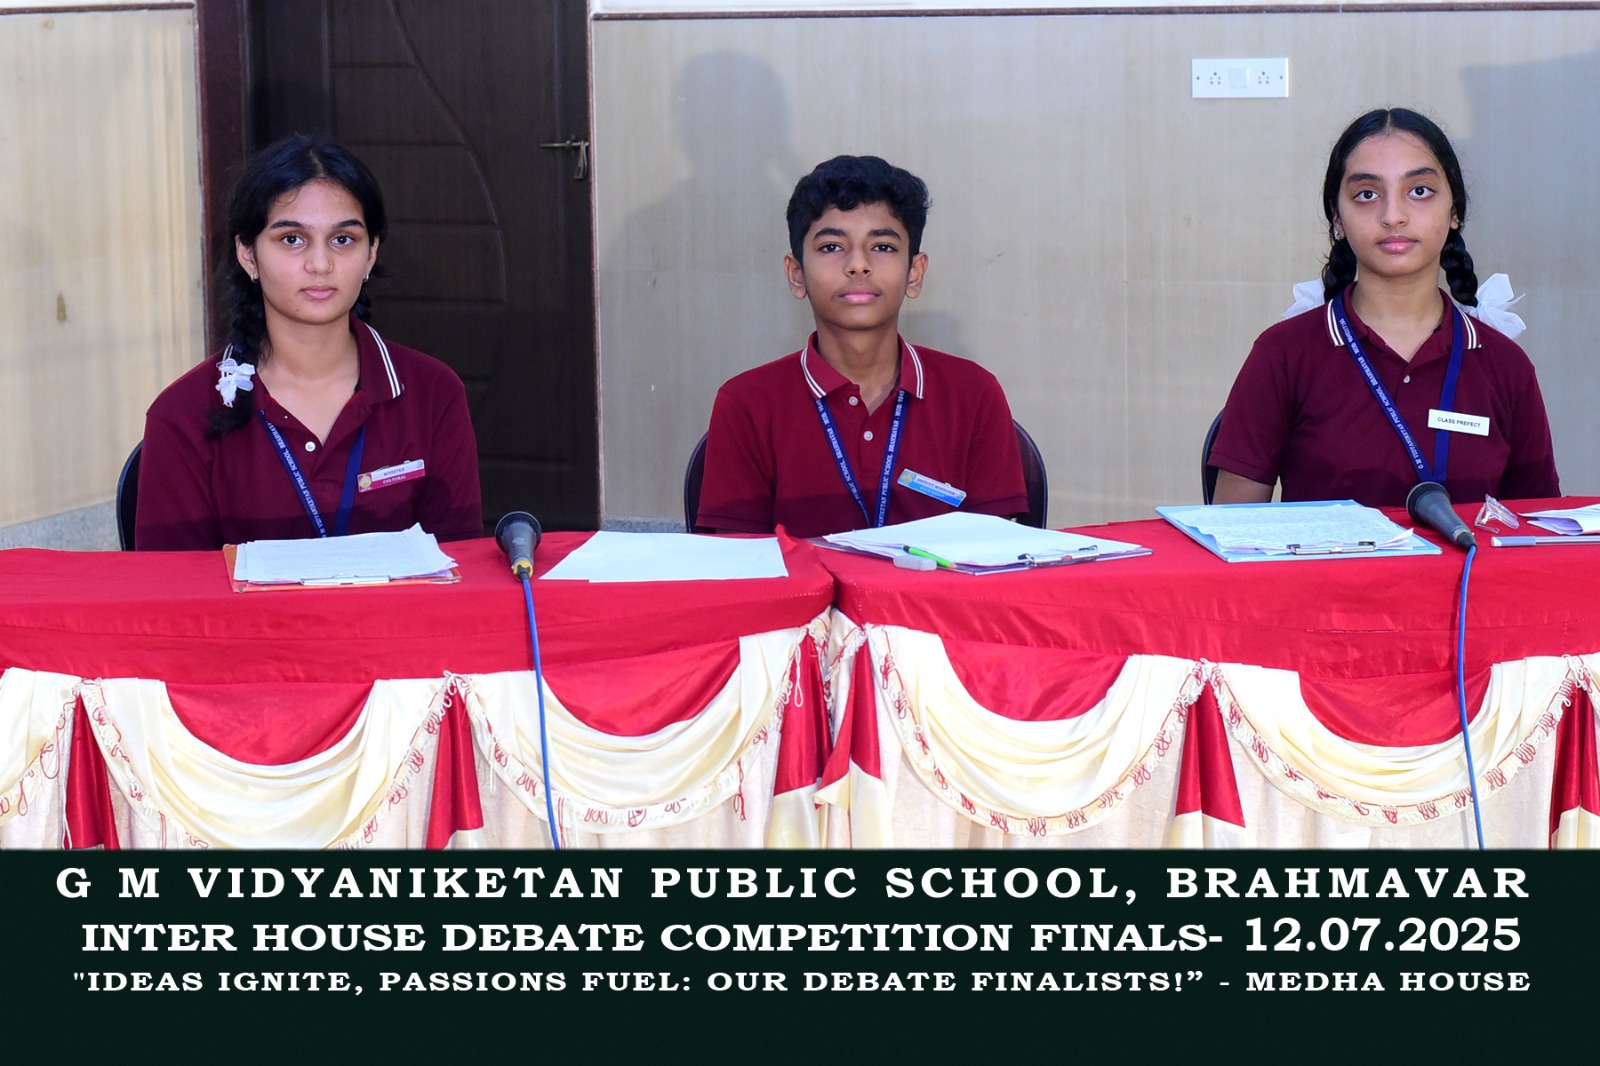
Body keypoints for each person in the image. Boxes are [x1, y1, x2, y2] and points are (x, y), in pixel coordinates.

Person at [136, 135, 483, 550]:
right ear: (248, 254)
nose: (321, 264)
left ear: (371, 253)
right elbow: (171, 586)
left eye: (343, 239)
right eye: (292, 239)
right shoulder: (182, 414)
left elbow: (461, 567)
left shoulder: (433, 393)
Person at [1209, 108, 1559, 508]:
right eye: (1367, 194)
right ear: (1338, 219)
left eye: (1420, 191)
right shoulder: (1283, 354)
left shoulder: (1506, 365)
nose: (1393, 216)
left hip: (1466, 555)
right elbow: (1231, 529)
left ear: (1455, 212)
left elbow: (1538, 528)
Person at [695, 155, 1027, 538]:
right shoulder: (745, 404)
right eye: (831, 246)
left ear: (914, 273)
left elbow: (997, 556)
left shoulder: (974, 394)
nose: (858, 265)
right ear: (796, 274)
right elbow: (737, 564)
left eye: (882, 246)